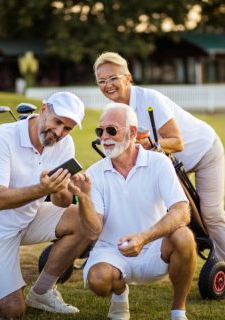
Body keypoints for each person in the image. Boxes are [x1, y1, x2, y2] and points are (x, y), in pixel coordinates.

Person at [68, 103, 197, 320]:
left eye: (112, 130)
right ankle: (120, 292)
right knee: (98, 281)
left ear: (133, 132)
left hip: (155, 247)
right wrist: (83, 199)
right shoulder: (95, 174)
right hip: (111, 250)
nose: (104, 137)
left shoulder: (159, 163)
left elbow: (182, 211)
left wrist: (144, 237)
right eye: (100, 131)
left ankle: (178, 311)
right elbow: (93, 231)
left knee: (184, 236)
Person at [93, 51, 225, 261]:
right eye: (102, 81)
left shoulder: (149, 99)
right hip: (170, 163)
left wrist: (148, 144)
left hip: (203, 152)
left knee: (210, 214)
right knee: (162, 208)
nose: (107, 84)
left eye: (113, 78)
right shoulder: (115, 110)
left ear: (128, 77)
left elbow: (177, 142)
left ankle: (220, 261)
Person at [0, 91, 90, 318]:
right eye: (58, 122)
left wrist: (63, 189)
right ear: (43, 110)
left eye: (68, 128)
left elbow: (61, 203)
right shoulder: (2, 138)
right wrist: (42, 189)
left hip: (28, 218)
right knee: (12, 310)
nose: (60, 133)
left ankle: (42, 292)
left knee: (84, 220)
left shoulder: (65, 144)